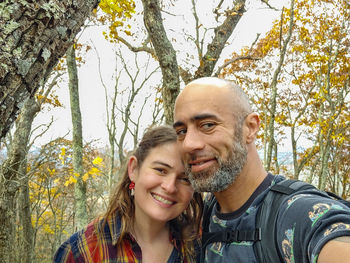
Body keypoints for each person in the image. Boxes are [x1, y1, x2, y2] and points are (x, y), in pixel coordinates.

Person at [173, 77, 350, 263]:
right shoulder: (204, 214)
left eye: (208, 125)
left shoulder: (297, 215)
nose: (189, 144)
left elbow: (331, 233)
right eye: (182, 131)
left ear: (250, 128)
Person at [53, 125, 203, 263]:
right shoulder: (84, 251)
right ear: (133, 169)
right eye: (161, 170)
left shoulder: (197, 246)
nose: (170, 187)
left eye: (185, 179)